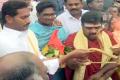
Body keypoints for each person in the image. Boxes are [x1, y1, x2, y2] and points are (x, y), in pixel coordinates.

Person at [0, 0, 93, 78]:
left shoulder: (29, 33)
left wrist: (69, 57)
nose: (28, 21)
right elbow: (34, 67)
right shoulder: (3, 42)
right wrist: (69, 56)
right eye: (24, 17)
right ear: (9, 19)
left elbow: (41, 59)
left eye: (28, 16)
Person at [63, 11, 119, 80]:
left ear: (101, 26)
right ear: (82, 25)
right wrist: (73, 62)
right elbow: (69, 65)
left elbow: (116, 60)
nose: (93, 31)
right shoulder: (72, 39)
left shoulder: (108, 36)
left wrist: (99, 74)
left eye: (97, 27)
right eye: (89, 28)